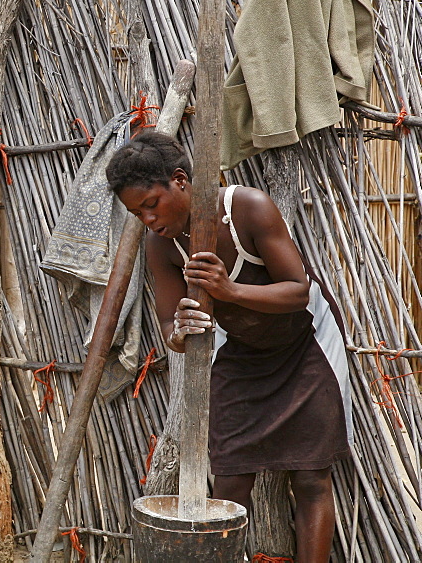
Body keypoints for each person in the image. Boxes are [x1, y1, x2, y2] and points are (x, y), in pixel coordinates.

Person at [106, 131, 350, 563]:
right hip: (240, 353)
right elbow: (169, 326)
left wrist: (229, 291)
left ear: (180, 180)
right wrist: (179, 332)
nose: (147, 219)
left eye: (150, 204)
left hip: (305, 347)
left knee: (311, 476)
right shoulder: (161, 245)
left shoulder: (247, 208)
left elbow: (296, 291)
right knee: (231, 478)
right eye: (136, 213)